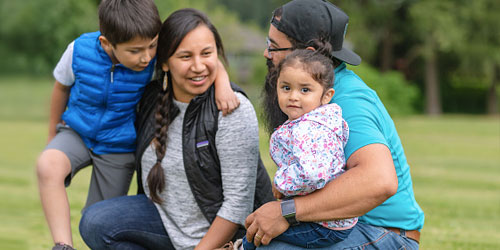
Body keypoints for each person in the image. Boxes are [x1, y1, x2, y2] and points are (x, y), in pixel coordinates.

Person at [36, 1, 239, 249]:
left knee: (99, 218)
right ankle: (63, 245)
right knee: (48, 165)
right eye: (135, 51)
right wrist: (52, 135)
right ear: (106, 43)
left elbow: (203, 55)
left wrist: (224, 84)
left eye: (152, 46)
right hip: (77, 131)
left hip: (118, 143)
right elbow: (61, 87)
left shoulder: (153, 58)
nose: (146, 57)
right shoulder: (78, 51)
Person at [78, 8, 274, 250]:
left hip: (223, 236)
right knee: (95, 222)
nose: (199, 66)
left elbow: (237, 207)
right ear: (165, 62)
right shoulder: (150, 98)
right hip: (166, 223)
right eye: (185, 57)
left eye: (206, 53)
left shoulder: (231, 109)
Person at [244, 0, 425, 249]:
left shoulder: (347, 99)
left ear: (307, 52)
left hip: (386, 235)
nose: (266, 53)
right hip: (336, 225)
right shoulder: (307, 95)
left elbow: (380, 180)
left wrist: (286, 211)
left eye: (273, 47)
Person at [242, 46, 358, 250]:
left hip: (323, 224)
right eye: (286, 88)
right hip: (333, 218)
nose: (293, 96)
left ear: (326, 96)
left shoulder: (309, 128)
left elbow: (312, 174)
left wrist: (281, 182)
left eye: (305, 90)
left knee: (254, 239)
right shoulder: (321, 121)